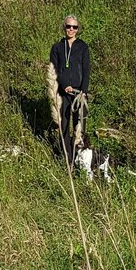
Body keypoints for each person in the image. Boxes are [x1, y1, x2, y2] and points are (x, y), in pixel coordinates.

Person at [49, 15, 90, 165]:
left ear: (78, 29)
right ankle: (68, 160)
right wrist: (64, 84)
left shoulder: (83, 47)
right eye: (68, 26)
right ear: (64, 27)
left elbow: (86, 70)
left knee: (79, 126)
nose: (71, 29)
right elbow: (54, 70)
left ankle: (80, 158)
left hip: (79, 93)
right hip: (63, 93)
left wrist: (84, 91)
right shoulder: (57, 48)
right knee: (64, 126)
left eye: (74, 27)